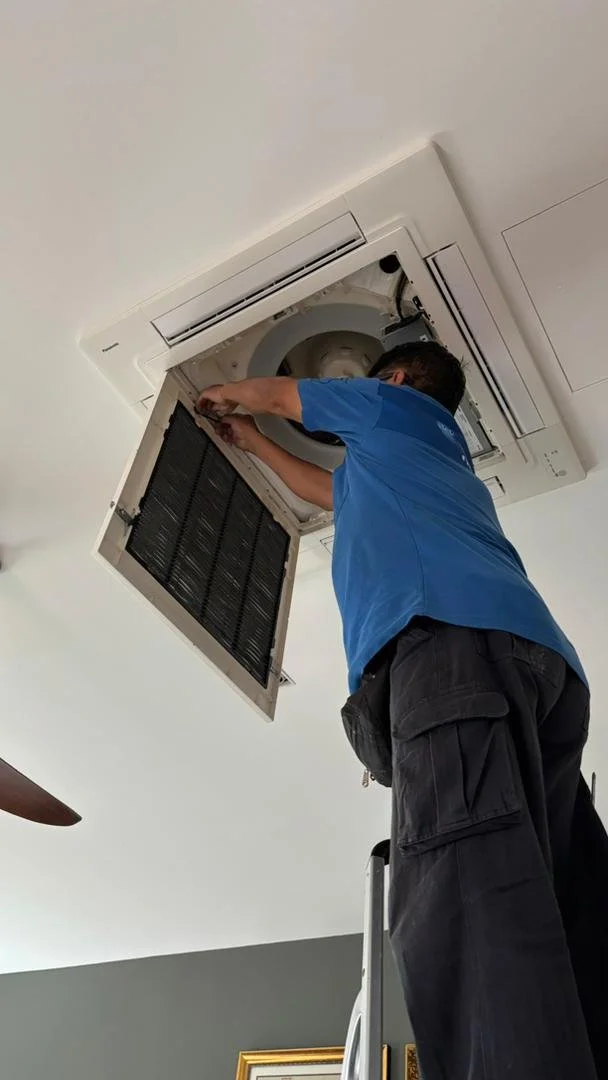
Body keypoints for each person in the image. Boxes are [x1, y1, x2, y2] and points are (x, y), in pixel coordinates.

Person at [197, 341, 608, 1080]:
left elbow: (287, 395)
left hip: (453, 654)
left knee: (474, 915)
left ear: (387, 380)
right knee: (567, 912)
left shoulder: (391, 406)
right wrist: (251, 443)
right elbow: (328, 491)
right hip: (536, 671)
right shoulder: (433, 465)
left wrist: (230, 397)